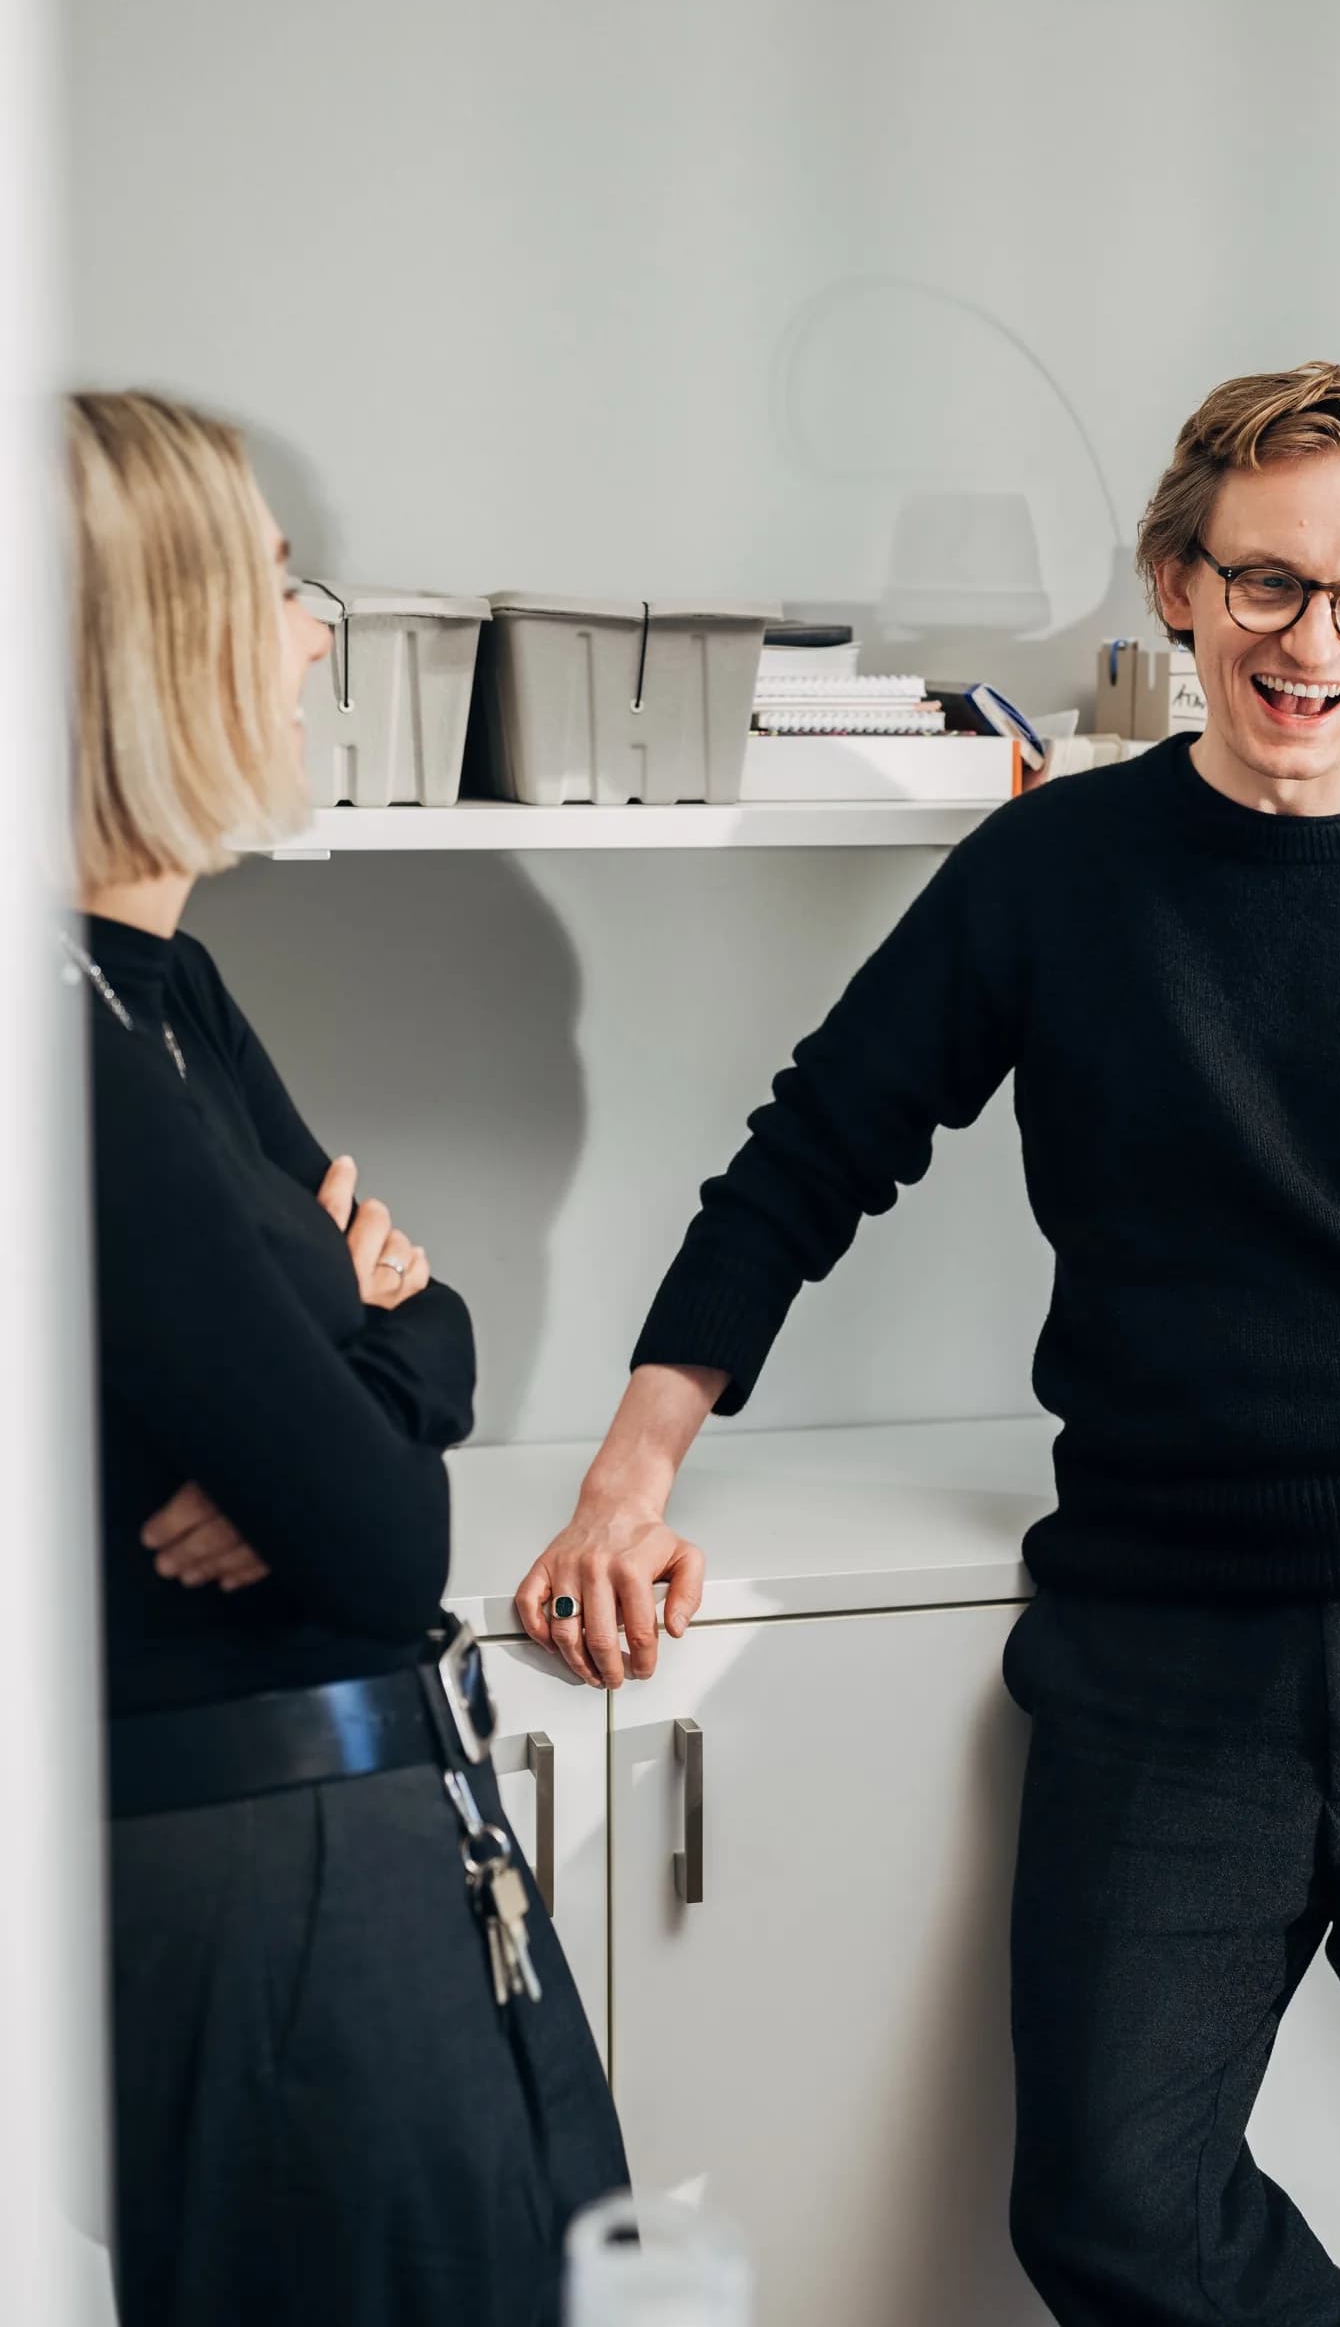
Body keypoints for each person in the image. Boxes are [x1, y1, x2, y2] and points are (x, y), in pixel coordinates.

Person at [516, 362, 1340, 2323]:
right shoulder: (1050, 871)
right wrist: (624, 1477)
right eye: (1266, 584)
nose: (1313, 643)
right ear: (1175, 582)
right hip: (1174, 1639)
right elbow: (806, 1158)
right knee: (1108, 2207)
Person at [71, 390, 626, 2327]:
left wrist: (360, 1382)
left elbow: (429, 1335)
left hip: (371, 1849)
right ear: (151, 647)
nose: (316, 645)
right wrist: (356, 1371)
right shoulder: (58, 1051)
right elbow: (388, 1547)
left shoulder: (172, 994)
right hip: (253, 1910)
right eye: (284, 591)